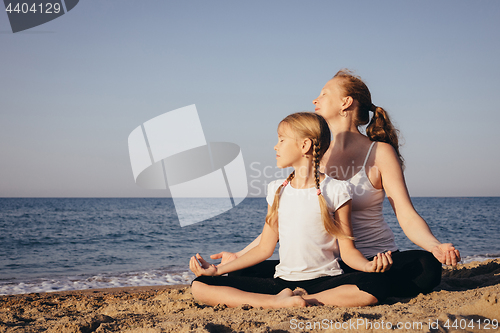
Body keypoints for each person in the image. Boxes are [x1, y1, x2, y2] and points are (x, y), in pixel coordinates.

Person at [212, 69, 461, 297]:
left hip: (373, 257)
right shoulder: (313, 155)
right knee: (241, 272)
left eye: (323, 93)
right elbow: (285, 221)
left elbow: (406, 214)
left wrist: (435, 246)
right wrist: (240, 256)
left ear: (346, 102)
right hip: (326, 264)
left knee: (426, 266)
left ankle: (343, 289)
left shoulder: (380, 153)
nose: (315, 100)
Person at [189, 112, 393, 308]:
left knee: (375, 285)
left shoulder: (337, 189)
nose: (275, 146)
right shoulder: (277, 189)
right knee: (199, 286)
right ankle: (277, 302)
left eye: (281, 140)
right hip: (282, 282)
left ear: (305, 145)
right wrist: (217, 271)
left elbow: (348, 253)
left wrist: (368, 266)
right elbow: (264, 249)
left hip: (324, 281)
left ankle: (306, 299)